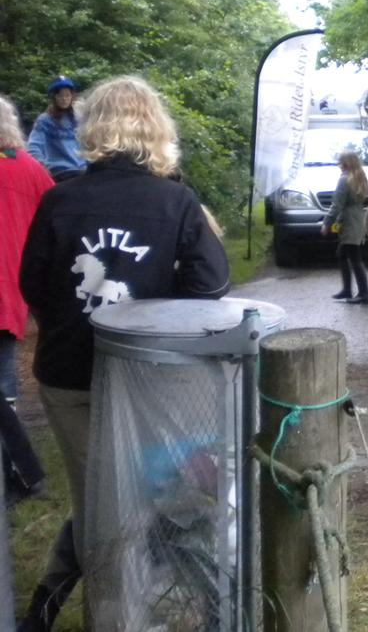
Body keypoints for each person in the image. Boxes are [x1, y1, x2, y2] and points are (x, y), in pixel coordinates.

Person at [18, 75, 230, 631]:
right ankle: (125, 617)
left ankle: (112, 613)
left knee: (101, 504)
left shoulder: (59, 199)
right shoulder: (177, 200)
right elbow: (211, 285)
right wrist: (160, 314)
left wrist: (70, 322)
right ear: (154, 129)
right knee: (150, 496)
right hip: (147, 377)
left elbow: (33, 283)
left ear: (92, 128)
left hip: (69, 376)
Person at [0, 94, 53, 505]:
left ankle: (20, 473)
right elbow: (55, 221)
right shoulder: (32, 170)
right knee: (4, 384)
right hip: (13, 289)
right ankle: (20, 474)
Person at [322, 150, 368, 304]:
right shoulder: (359, 178)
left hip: (349, 221)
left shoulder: (344, 180)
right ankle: (347, 290)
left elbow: (336, 205)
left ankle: (363, 294)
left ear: (345, 164)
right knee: (343, 254)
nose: (339, 166)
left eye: (340, 163)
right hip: (357, 219)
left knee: (354, 257)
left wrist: (326, 222)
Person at [26, 76, 87, 181]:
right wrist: (41, 167)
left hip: (83, 171)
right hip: (59, 173)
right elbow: (34, 146)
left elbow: (90, 142)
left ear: (72, 96)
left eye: (67, 95)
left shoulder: (80, 117)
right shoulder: (45, 120)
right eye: (60, 95)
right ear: (54, 97)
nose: (64, 99)